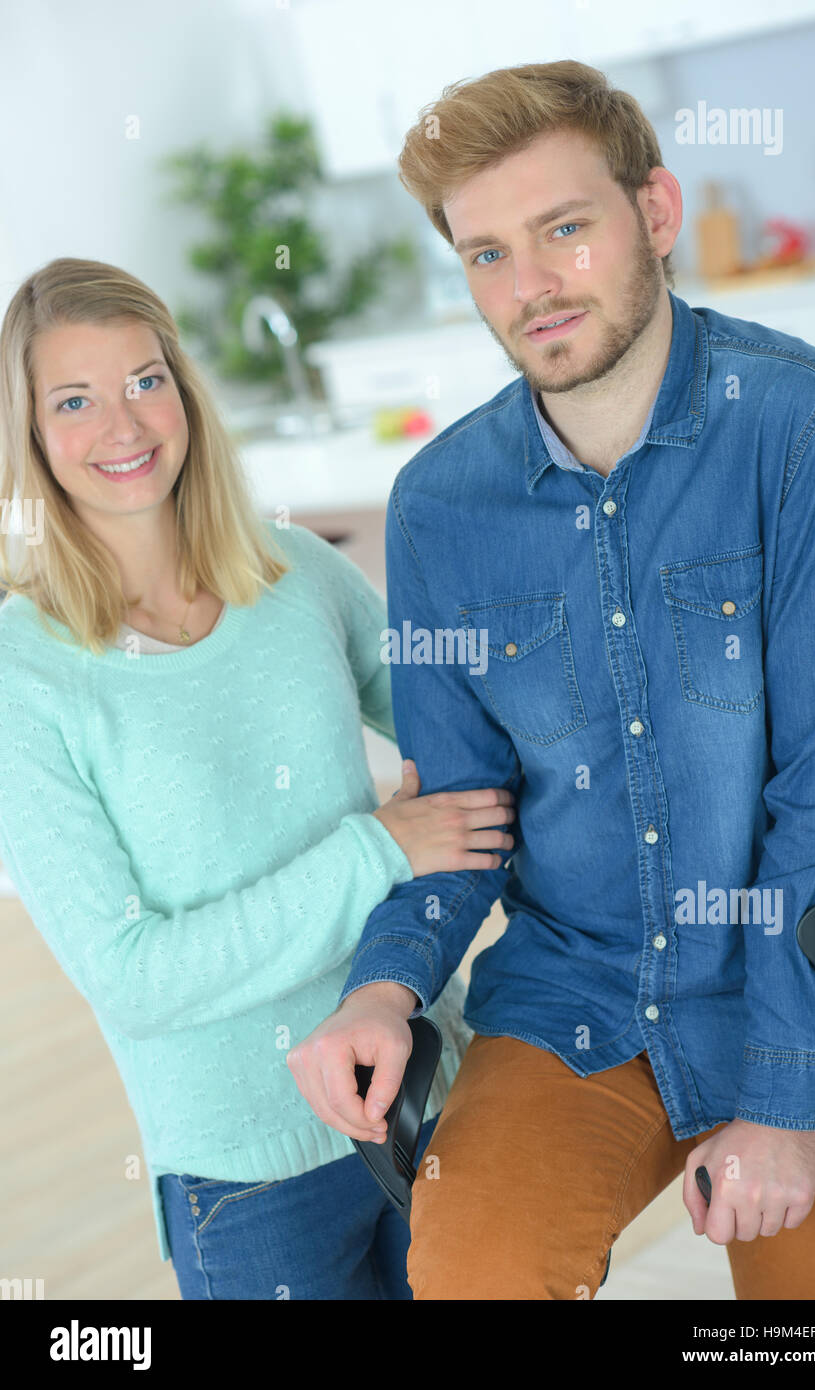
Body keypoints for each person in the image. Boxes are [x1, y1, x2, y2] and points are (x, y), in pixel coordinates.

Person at [286, 60, 815, 1300]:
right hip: (580, 992)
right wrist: (384, 989)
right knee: (473, 1270)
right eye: (487, 253)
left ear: (653, 215)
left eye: (564, 229)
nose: (532, 285)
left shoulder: (809, 429)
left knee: (806, 1310)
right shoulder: (440, 506)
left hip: (812, 981)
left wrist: (780, 1098)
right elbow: (463, 814)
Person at [0, 256, 516, 1300]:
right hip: (246, 1174)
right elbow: (135, 975)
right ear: (30, 436)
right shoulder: (26, 675)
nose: (125, 424)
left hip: (429, 1085)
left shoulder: (298, 572)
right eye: (74, 400)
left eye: (147, 379)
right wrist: (376, 848)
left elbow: (469, 731)